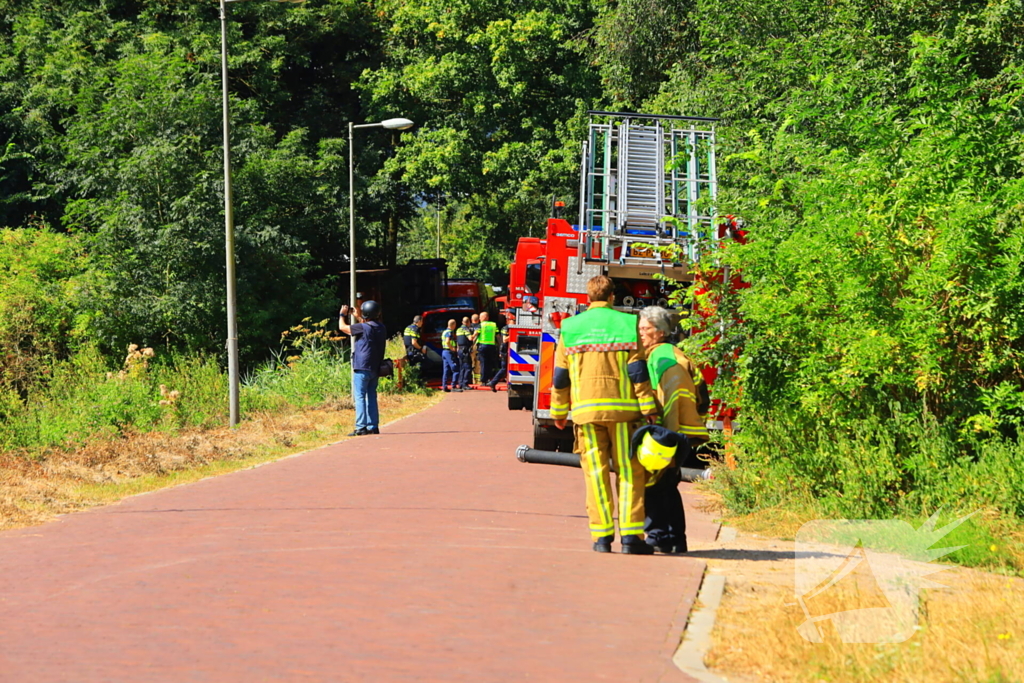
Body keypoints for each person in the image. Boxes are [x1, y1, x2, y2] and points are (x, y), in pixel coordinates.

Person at [551, 275, 659, 554]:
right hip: (624, 415)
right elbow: (637, 371)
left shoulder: (570, 327)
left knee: (595, 475)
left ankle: (601, 539)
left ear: (588, 298)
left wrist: (559, 412)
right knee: (629, 472)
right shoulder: (627, 323)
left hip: (586, 415)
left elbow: (560, 376)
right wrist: (648, 408)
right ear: (612, 297)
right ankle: (631, 538)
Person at [637, 306, 710, 553]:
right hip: (681, 432)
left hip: (667, 432)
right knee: (668, 484)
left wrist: (659, 430)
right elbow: (703, 395)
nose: (641, 333)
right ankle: (676, 539)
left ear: (661, 332)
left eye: (646, 328)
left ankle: (659, 536)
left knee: (654, 483)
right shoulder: (676, 354)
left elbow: (658, 397)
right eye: (640, 328)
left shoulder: (660, 358)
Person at [339, 300, 387, 436]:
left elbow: (343, 328)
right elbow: (367, 326)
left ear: (365, 313)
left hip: (362, 366)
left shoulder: (363, 327)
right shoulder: (381, 327)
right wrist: (358, 316)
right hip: (375, 367)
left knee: (359, 396)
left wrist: (342, 315)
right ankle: (373, 426)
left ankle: (361, 427)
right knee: (371, 396)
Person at [477, 311, 499, 389]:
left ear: (485, 317)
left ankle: (484, 380)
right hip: (492, 346)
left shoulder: (481, 325)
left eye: (481, 317)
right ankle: (489, 379)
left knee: (483, 363)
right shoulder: (494, 324)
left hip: (483, 346)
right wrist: (499, 345)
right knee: (490, 363)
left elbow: (476, 334)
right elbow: (498, 336)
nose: (479, 319)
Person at [487, 319, 510, 392]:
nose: (515, 322)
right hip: (505, 351)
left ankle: (494, 383)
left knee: (506, 369)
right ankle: (493, 382)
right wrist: (514, 334)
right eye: (513, 320)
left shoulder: (507, 328)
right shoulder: (506, 328)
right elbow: (504, 340)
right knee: (504, 368)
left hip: (505, 351)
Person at [441, 319, 462, 392]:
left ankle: (444, 386)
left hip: (444, 351)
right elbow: (447, 341)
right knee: (455, 369)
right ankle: (454, 386)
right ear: (453, 325)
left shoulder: (444, 331)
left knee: (446, 370)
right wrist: (452, 348)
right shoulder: (449, 332)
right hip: (449, 352)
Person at [456, 316, 474, 390]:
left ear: (462, 322)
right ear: (468, 322)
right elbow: (470, 338)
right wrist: (475, 334)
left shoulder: (458, 329)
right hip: (465, 350)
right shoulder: (466, 329)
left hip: (460, 350)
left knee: (462, 367)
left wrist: (457, 350)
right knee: (468, 367)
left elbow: (458, 341)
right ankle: (465, 384)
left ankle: (460, 383)